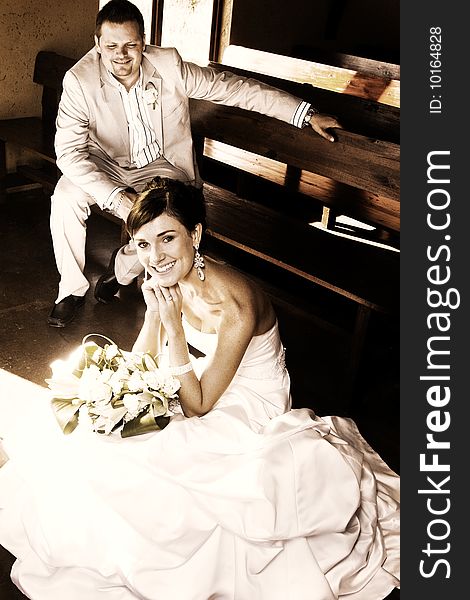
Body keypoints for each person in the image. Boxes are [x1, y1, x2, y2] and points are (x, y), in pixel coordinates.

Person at [1, 177, 399, 600]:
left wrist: (172, 326)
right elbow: (144, 357)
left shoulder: (236, 303)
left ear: (195, 234)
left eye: (167, 238)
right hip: (199, 379)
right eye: (142, 244)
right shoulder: (161, 275)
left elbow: (198, 406)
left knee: (167, 453)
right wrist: (124, 382)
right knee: (115, 433)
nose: (154, 257)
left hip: (248, 403)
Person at [47, 0, 341, 328]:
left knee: (165, 221)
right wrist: (117, 197)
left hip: (162, 169)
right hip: (105, 164)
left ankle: (121, 270)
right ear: (97, 44)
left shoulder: (169, 66)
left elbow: (235, 89)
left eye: (131, 45)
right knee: (65, 197)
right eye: (111, 46)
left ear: (144, 42)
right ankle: (71, 288)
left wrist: (305, 113)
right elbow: (69, 153)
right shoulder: (79, 81)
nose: (122, 55)